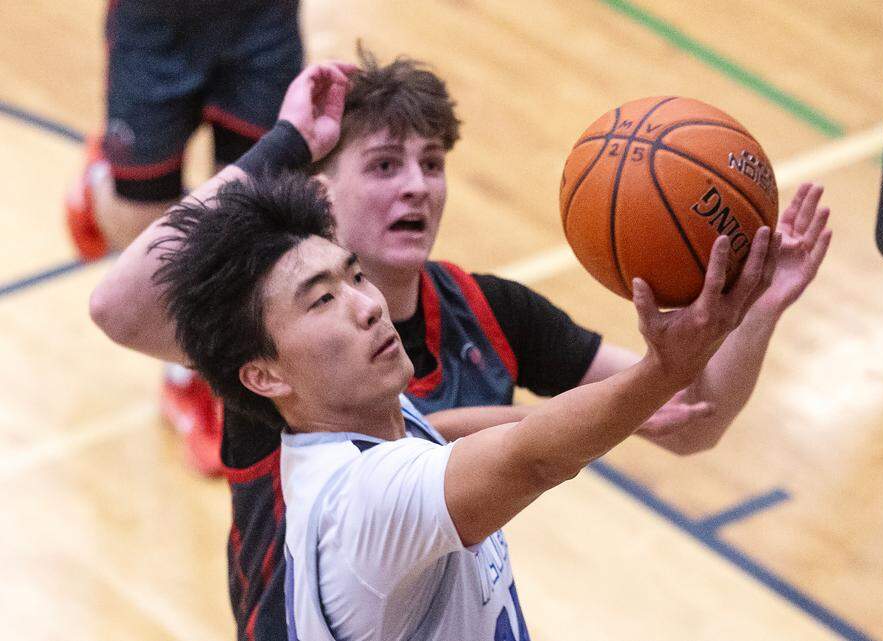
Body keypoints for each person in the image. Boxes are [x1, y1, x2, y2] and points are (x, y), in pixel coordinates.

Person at [90, 58, 832, 640]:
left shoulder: (473, 320)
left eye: (433, 163)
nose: (416, 187)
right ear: (320, 190)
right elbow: (117, 307)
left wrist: (757, 311)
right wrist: (285, 143)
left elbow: (692, 416)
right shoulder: (285, 354)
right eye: (384, 165)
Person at [149, 168, 779, 639]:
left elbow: (440, 430)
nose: (367, 306)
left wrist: (611, 413)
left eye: (356, 276)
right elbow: (533, 460)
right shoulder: (363, 504)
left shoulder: (360, 424)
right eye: (321, 300)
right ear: (263, 376)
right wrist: (662, 370)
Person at [66, 0, 304, 476]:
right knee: (144, 233)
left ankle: (189, 372)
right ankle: (99, 186)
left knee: (252, 211)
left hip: (262, 18)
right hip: (155, 24)